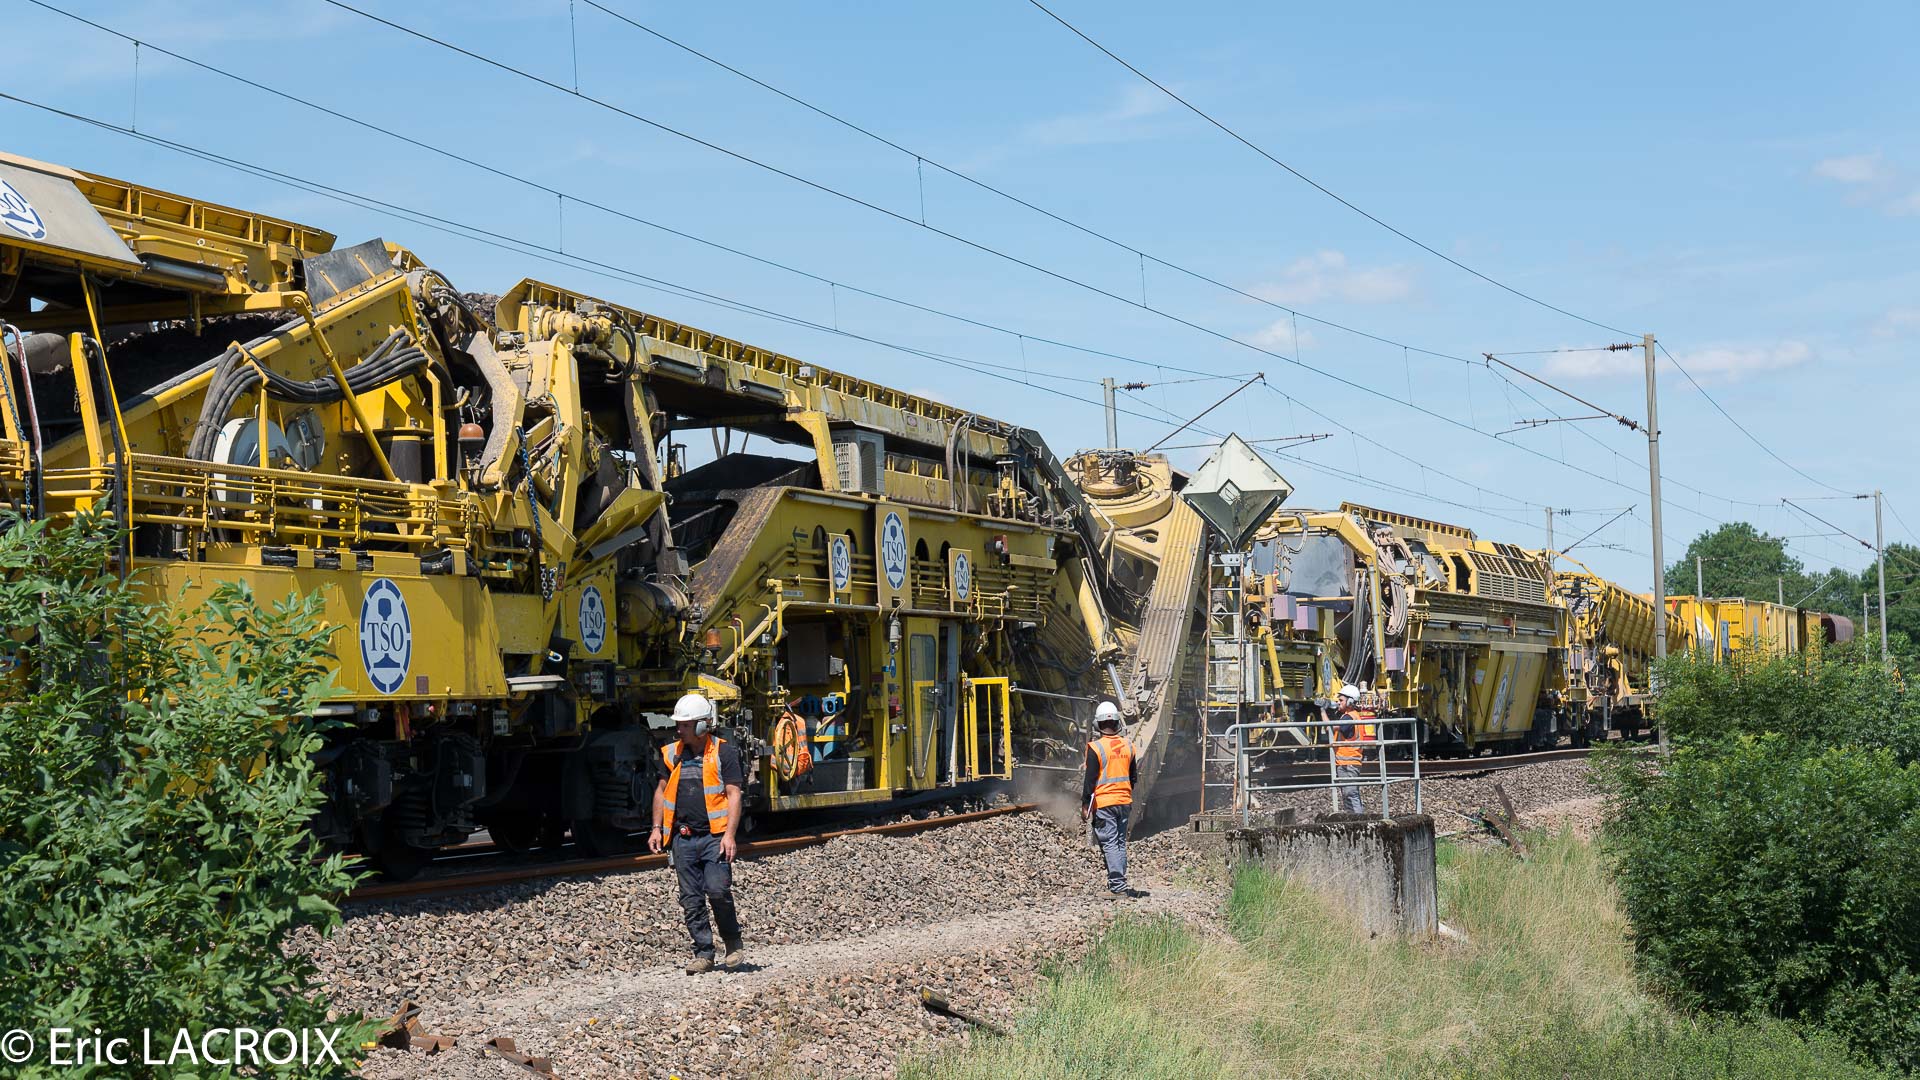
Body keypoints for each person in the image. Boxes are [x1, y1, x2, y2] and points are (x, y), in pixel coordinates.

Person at [649, 692, 746, 974]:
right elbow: (661, 791)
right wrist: (656, 829)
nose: (679, 730)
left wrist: (729, 835)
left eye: (685, 725)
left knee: (717, 890)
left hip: (715, 837)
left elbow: (734, 794)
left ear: (703, 725)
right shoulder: (671, 753)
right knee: (691, 899)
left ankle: (732, 942)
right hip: (683, 838)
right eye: (678, 724)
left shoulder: (723, 753)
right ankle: (703, 953)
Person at [1081, 701, 1143, 898]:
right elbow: (1133, 777)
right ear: (1117, 722)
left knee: (1109, 843)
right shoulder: (1129, 745)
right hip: (1124, 801)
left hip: (1105, 803)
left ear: (1097, 724)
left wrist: (1085, 805)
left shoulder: (1095, 748)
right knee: (1119, 842)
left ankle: (1118, 887)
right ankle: (1120, 883)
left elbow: (1090, 781)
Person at [1321, 683, 1377, 815]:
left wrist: (1322, 711)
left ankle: (1359, 821)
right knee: (1348, 796)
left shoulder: (1349, 718)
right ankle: (1353, 820)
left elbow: (1329, 727)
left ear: (1350, 701)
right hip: (1347, 762)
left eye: (1341, 700)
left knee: (1350, 794)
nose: (1338, 702)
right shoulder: (1350, 716)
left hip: (1348, 763)